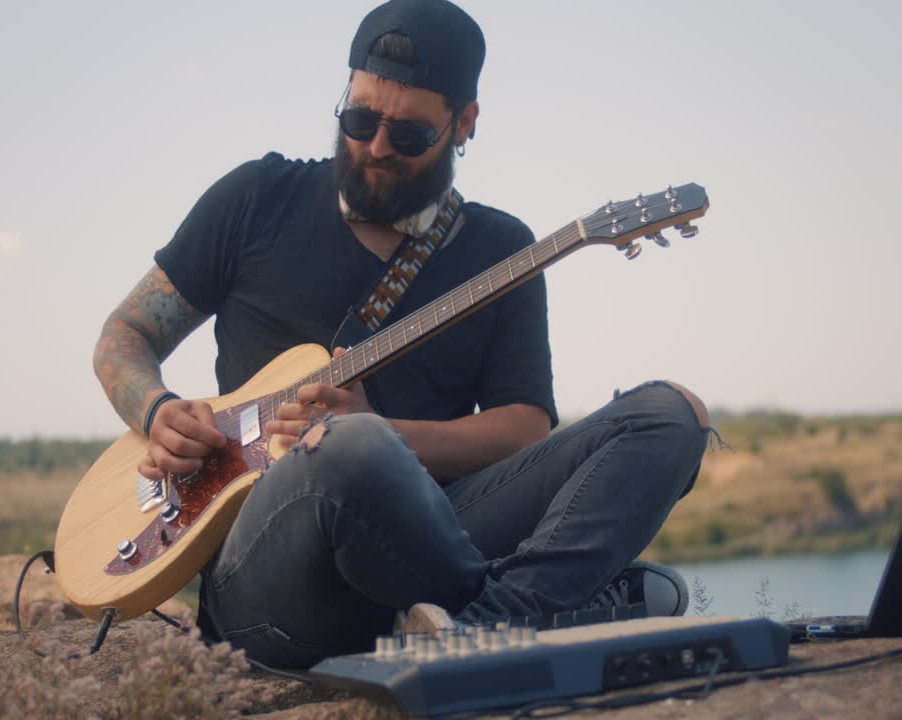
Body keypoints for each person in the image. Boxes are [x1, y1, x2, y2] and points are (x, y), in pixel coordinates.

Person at [92, 0, 711, 669]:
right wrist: (157, 413)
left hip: (435, 538)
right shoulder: (255, 198)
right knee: (350, 447)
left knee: (669, 416)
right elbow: (124, 335)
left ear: (464, 123)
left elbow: (526, 428)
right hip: (270, 582)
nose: (377, 146)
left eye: (410, 133)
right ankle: (542, 608)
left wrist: (387, 430)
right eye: (359, 119)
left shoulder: (503, 248)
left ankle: (480, 627)